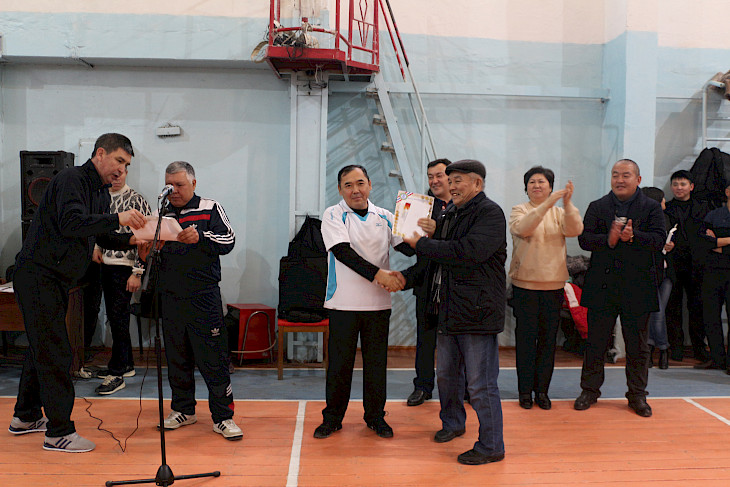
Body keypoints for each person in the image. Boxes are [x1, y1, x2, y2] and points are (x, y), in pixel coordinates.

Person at [8, 133, 146, 452]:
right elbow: (72, 223)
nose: (122, 170)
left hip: (56, 280)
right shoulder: (72, 178)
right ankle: (59, 432)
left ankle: (25, 416)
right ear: (100, 154)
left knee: (42, 348)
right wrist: (118, 217)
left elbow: (100, 234)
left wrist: (132, 240)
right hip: (39, 275)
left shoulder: (99, 192)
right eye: (119, 161)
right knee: (56, 352)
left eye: (127, 165)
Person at [402, 159, 506, 466]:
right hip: (448, 310)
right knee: (446, 377)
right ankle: (453, 423)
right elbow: (436, 260)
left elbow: (467, 252)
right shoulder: (450, 214)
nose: (452, 186)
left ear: (477, 183)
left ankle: (491, 445)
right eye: (451, 181)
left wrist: (422, 244)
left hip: (476, 313)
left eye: (458, 180)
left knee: (480, 384)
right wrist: (404, 277)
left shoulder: (490, 213)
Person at [140, 161, 242, 441]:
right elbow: (150, 255)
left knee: (213, 358)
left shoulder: (210, 208)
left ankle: (223, 417)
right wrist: (145, 254)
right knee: (177, 357)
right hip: (170, 296)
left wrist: (200, 237)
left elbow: (228, 240)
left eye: (179, 184)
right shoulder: (160, 214)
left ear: (194, 184)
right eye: (169, 185)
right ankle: (183, 410)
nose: (173, 190)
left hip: (203, 296)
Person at [313, 165, 413, 440]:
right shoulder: (333, 214)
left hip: (378, 304)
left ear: (369, 185)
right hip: (342, 304)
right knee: (339, 366)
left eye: (360, 183)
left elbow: (406, 247)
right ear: (339, 189)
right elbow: (343, 253)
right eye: (348, 185)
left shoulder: (386, 216)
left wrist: (422, 234)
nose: (355, 190)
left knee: (376, 365)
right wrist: (380, 275)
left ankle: (375, 417)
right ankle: (332, 418)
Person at [573, 159, 665, 417]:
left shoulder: (651, 207)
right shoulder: (598, 206)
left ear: (638, 179)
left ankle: (637, 395)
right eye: (615, 175)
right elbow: (584, 240)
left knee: (638, 345)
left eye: (626, 175)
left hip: (638, 285)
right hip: (603, 284)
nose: (619, 180)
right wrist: (609, 239)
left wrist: (634, 237)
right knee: (595, 342)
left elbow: (659, 240)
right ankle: (589, 391)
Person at [509, 166, 583, 410]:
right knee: (526, 341)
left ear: (551, 186)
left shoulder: (560, 212)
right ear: (526, 187)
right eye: (532, 182)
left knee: (548, 342)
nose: (537, 185)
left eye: (542, 182)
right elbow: (524, 228)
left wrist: (568, 203)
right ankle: (524, 392)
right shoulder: (519, 210)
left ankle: (542, 391)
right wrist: (549, 203)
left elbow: (575, 230)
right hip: (525, 286)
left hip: (553, 286)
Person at [92, 165, 152, 394]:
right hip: (104, 264)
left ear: (127, 173)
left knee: (118, 319)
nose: (116, 178)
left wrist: (137, 272)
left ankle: (116, 371)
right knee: (114, 318)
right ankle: (125, 364)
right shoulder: (101, 198)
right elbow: (97, 228)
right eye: (112, 174)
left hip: (125, 267)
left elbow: (145, 239)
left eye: (121, 173)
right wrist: (96, 247)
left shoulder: (136, 199)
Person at [406, 158, 451, 407]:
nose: (434, 181)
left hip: (455, 286)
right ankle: (422, 386)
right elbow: (408, 248)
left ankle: (462, 386)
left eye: (439, 175)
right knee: (425, 339)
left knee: (456, 341)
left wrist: (437, 231)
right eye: (430, 176)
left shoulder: (463, 207)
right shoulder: (420, 206)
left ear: (451, 178)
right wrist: (400, 232)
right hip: (426, 283)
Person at [664, 170, 711, 363]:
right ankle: (676, 348)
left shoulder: (703, 208)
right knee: (672, 307)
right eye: (675, 184)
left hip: (697, 264)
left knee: (697, 307)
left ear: (691, 186)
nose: (678, 188)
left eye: (683, 184)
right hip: (673, 263)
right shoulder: (666, 208)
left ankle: (699, 348)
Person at [641, 187, 674, 370]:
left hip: (666, 272)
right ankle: (660, 349)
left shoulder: (666, 219)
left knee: (658, 313)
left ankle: (659, 350)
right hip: (649, 272)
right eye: (662, 200)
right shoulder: (641, 221)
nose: (664, 204)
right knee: (654, 313)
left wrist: (671, 246)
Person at [698, 182, 730, 372]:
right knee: (710, 316)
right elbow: (704, 242)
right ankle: (717, 358)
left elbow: (713, 242)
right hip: (712, 271)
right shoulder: (713, 215)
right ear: (727, 191)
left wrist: (718, 242)